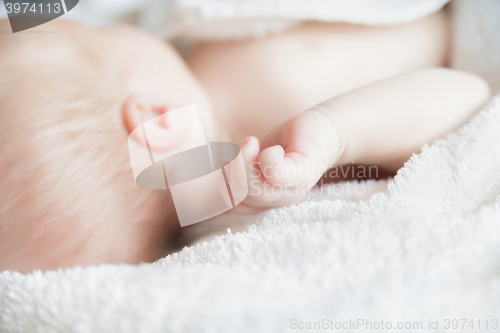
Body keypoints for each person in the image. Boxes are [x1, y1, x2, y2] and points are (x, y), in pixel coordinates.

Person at [0, 10, 490, 272]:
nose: (108, 28)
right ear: (159, 122)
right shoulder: (278, 117)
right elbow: (470, 98)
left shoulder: (204, 65)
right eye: (96, 41)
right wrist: (338, 132)